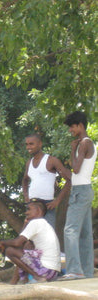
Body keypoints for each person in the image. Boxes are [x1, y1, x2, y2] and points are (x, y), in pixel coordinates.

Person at [61, 111, 97, 280]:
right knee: (84, 234)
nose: (70, 131)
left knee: (70, 230)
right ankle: (87, 271)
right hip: (84, 190)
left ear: (80, 125)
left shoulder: (84, 143)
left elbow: (75, 169)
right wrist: (73, 150)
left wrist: (74, 148)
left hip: (80, 191)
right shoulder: (86, 143)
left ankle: (75, 269)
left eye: (72, 127)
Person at [0, 199, 61, 284]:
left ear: (38, 210)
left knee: (9, 251)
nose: (26, 213)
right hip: (52, 272)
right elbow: (20, 245)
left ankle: (37, 277)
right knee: (25, 249)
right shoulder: (44, 223)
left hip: (45, 271)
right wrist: (25, 224)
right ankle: (18, 280)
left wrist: (2, 242)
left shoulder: (36, 222)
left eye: (29, 209)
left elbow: (17, 243)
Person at [22, 133, 71, 228]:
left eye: (31, 144)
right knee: (27, 238)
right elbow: (25, 180)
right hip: (32, 204)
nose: (28, 147)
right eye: (26, 144)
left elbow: (69, 180)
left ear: (40, 144)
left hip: (47, 205)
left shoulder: (51, 160)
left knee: (48, 236)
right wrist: (26, 196)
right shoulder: (29, 163)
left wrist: (57, 201)